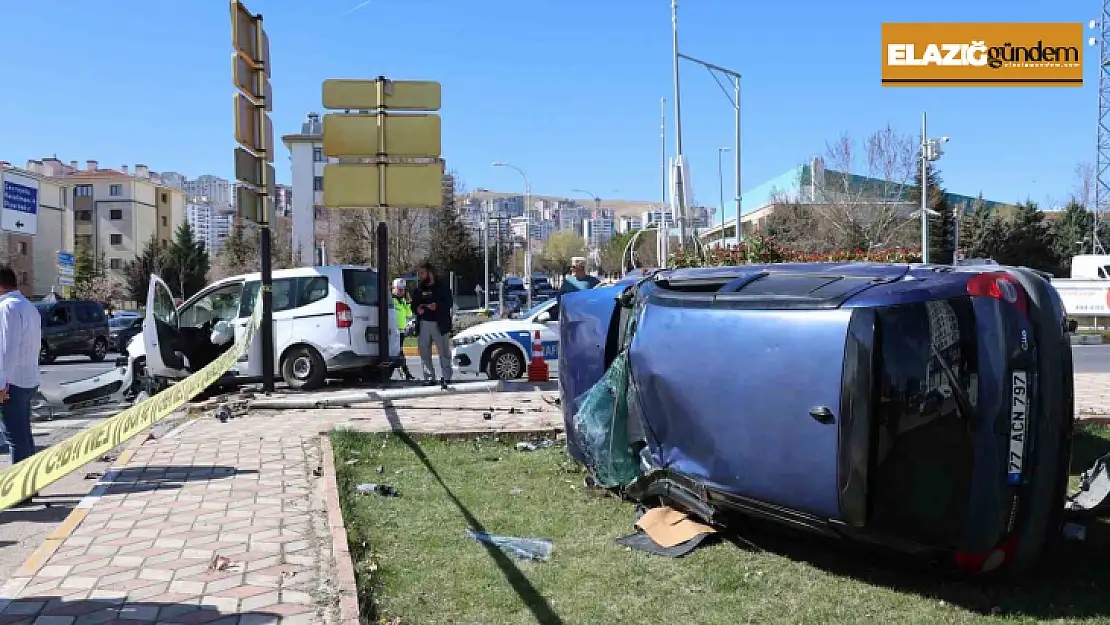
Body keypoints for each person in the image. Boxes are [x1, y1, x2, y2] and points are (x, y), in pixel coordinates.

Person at [0, 266, 41, 505]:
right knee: (24, 435)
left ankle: (19, 492)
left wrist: (1, 383)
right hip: (27, 379)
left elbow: (6, 349)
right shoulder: (28, 307)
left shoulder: (7, 308)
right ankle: (30, 485)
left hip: (11, 382)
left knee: (15, 437)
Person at [410, 262, 454, 385]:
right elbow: (413, 305)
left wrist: (437, 306)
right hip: (424, 323)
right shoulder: (419, 288)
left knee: (444, 352)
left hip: (439, 323)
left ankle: (446, 377)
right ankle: (429, 378)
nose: (421, 276)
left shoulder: (442, 287)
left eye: (423, 273)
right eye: (420, 273)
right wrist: (417, 309)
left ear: (430, 273)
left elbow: (449, 303)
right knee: (424, 352)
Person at [391, 278, 416, 381]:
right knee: (399, 352)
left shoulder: (403, 301)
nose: (402, 291)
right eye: (399, 289)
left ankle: (406, 373)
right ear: (394, 288)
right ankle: (406, 373)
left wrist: (409, 303)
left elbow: (409, 314)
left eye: (403, 289)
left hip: (401, 330)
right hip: (393, 330)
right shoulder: (391, 300)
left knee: (400, 352)